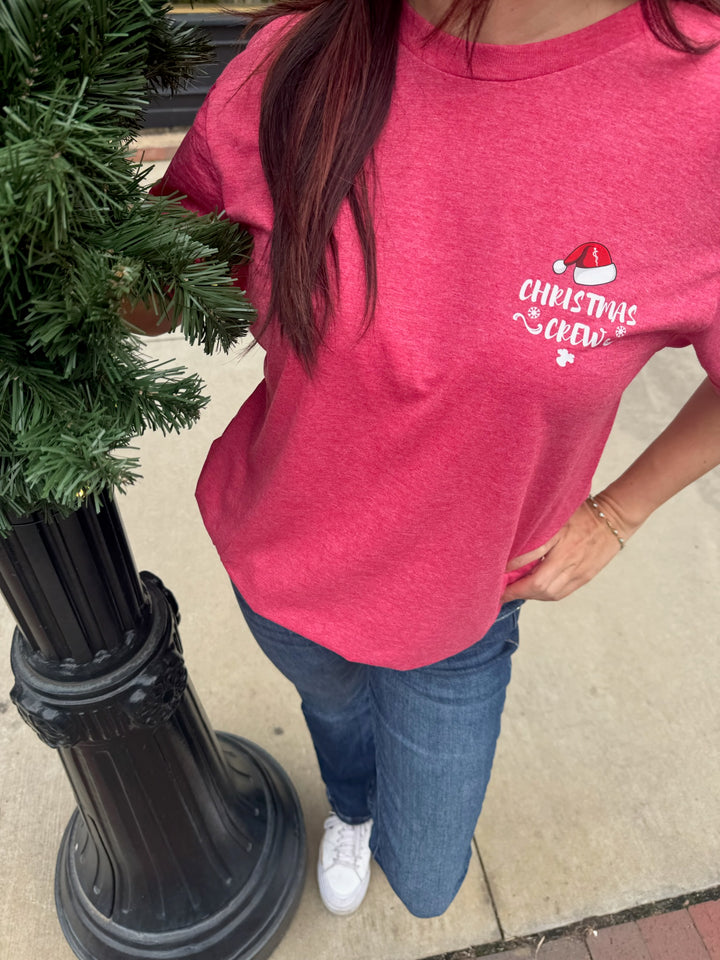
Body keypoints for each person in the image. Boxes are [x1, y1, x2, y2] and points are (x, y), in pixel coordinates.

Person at [130, 0, 720, 920]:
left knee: (430, 879)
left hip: (466, 613)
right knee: (335, 721)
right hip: (282, 563)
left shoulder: (701, 112)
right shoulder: (300, 55)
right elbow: (154, 291)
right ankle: (351, 806)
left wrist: (621, 511)